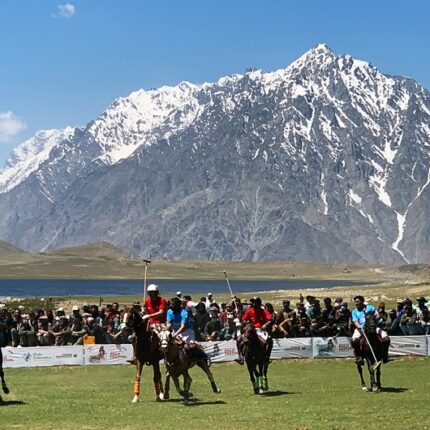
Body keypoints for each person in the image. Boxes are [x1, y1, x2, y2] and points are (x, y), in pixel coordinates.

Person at [166, 297, 208, 363]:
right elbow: (169, 324)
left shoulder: (184, 313)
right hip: (175, 331)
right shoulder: (169, 311)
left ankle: (203, 356)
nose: (170, 306)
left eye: (172, 304)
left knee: (191, 346)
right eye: (170, 304)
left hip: (187, 331)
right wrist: (167, 331)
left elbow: (183, 326)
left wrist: (175, 334)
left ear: (177, 305)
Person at [351, 295, 390, 364]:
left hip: (373, 327)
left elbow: (377, 315)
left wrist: (374, 321)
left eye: (358, 301)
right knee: (354, 340)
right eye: (355, 302)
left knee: (386, 338)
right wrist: (359, 327)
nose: (356, 303)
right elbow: (355, 321)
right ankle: (359, 356)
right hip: (361, 328)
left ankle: (385, 355)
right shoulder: (354, 311)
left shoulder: (370, 308)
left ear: (362, 301)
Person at [235, 297, 272, 365]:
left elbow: (270, 319)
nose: (254, 304)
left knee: (269, 340)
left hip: (260, 330)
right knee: (239, 340)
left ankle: (267, 358)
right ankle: (241, 358)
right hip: (250, 329)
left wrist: (265, 325)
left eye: (255, 302)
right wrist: (245, 322)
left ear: (259, 303)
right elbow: (244, 319)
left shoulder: (264, 311)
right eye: (253, 302)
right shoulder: (249, 310)